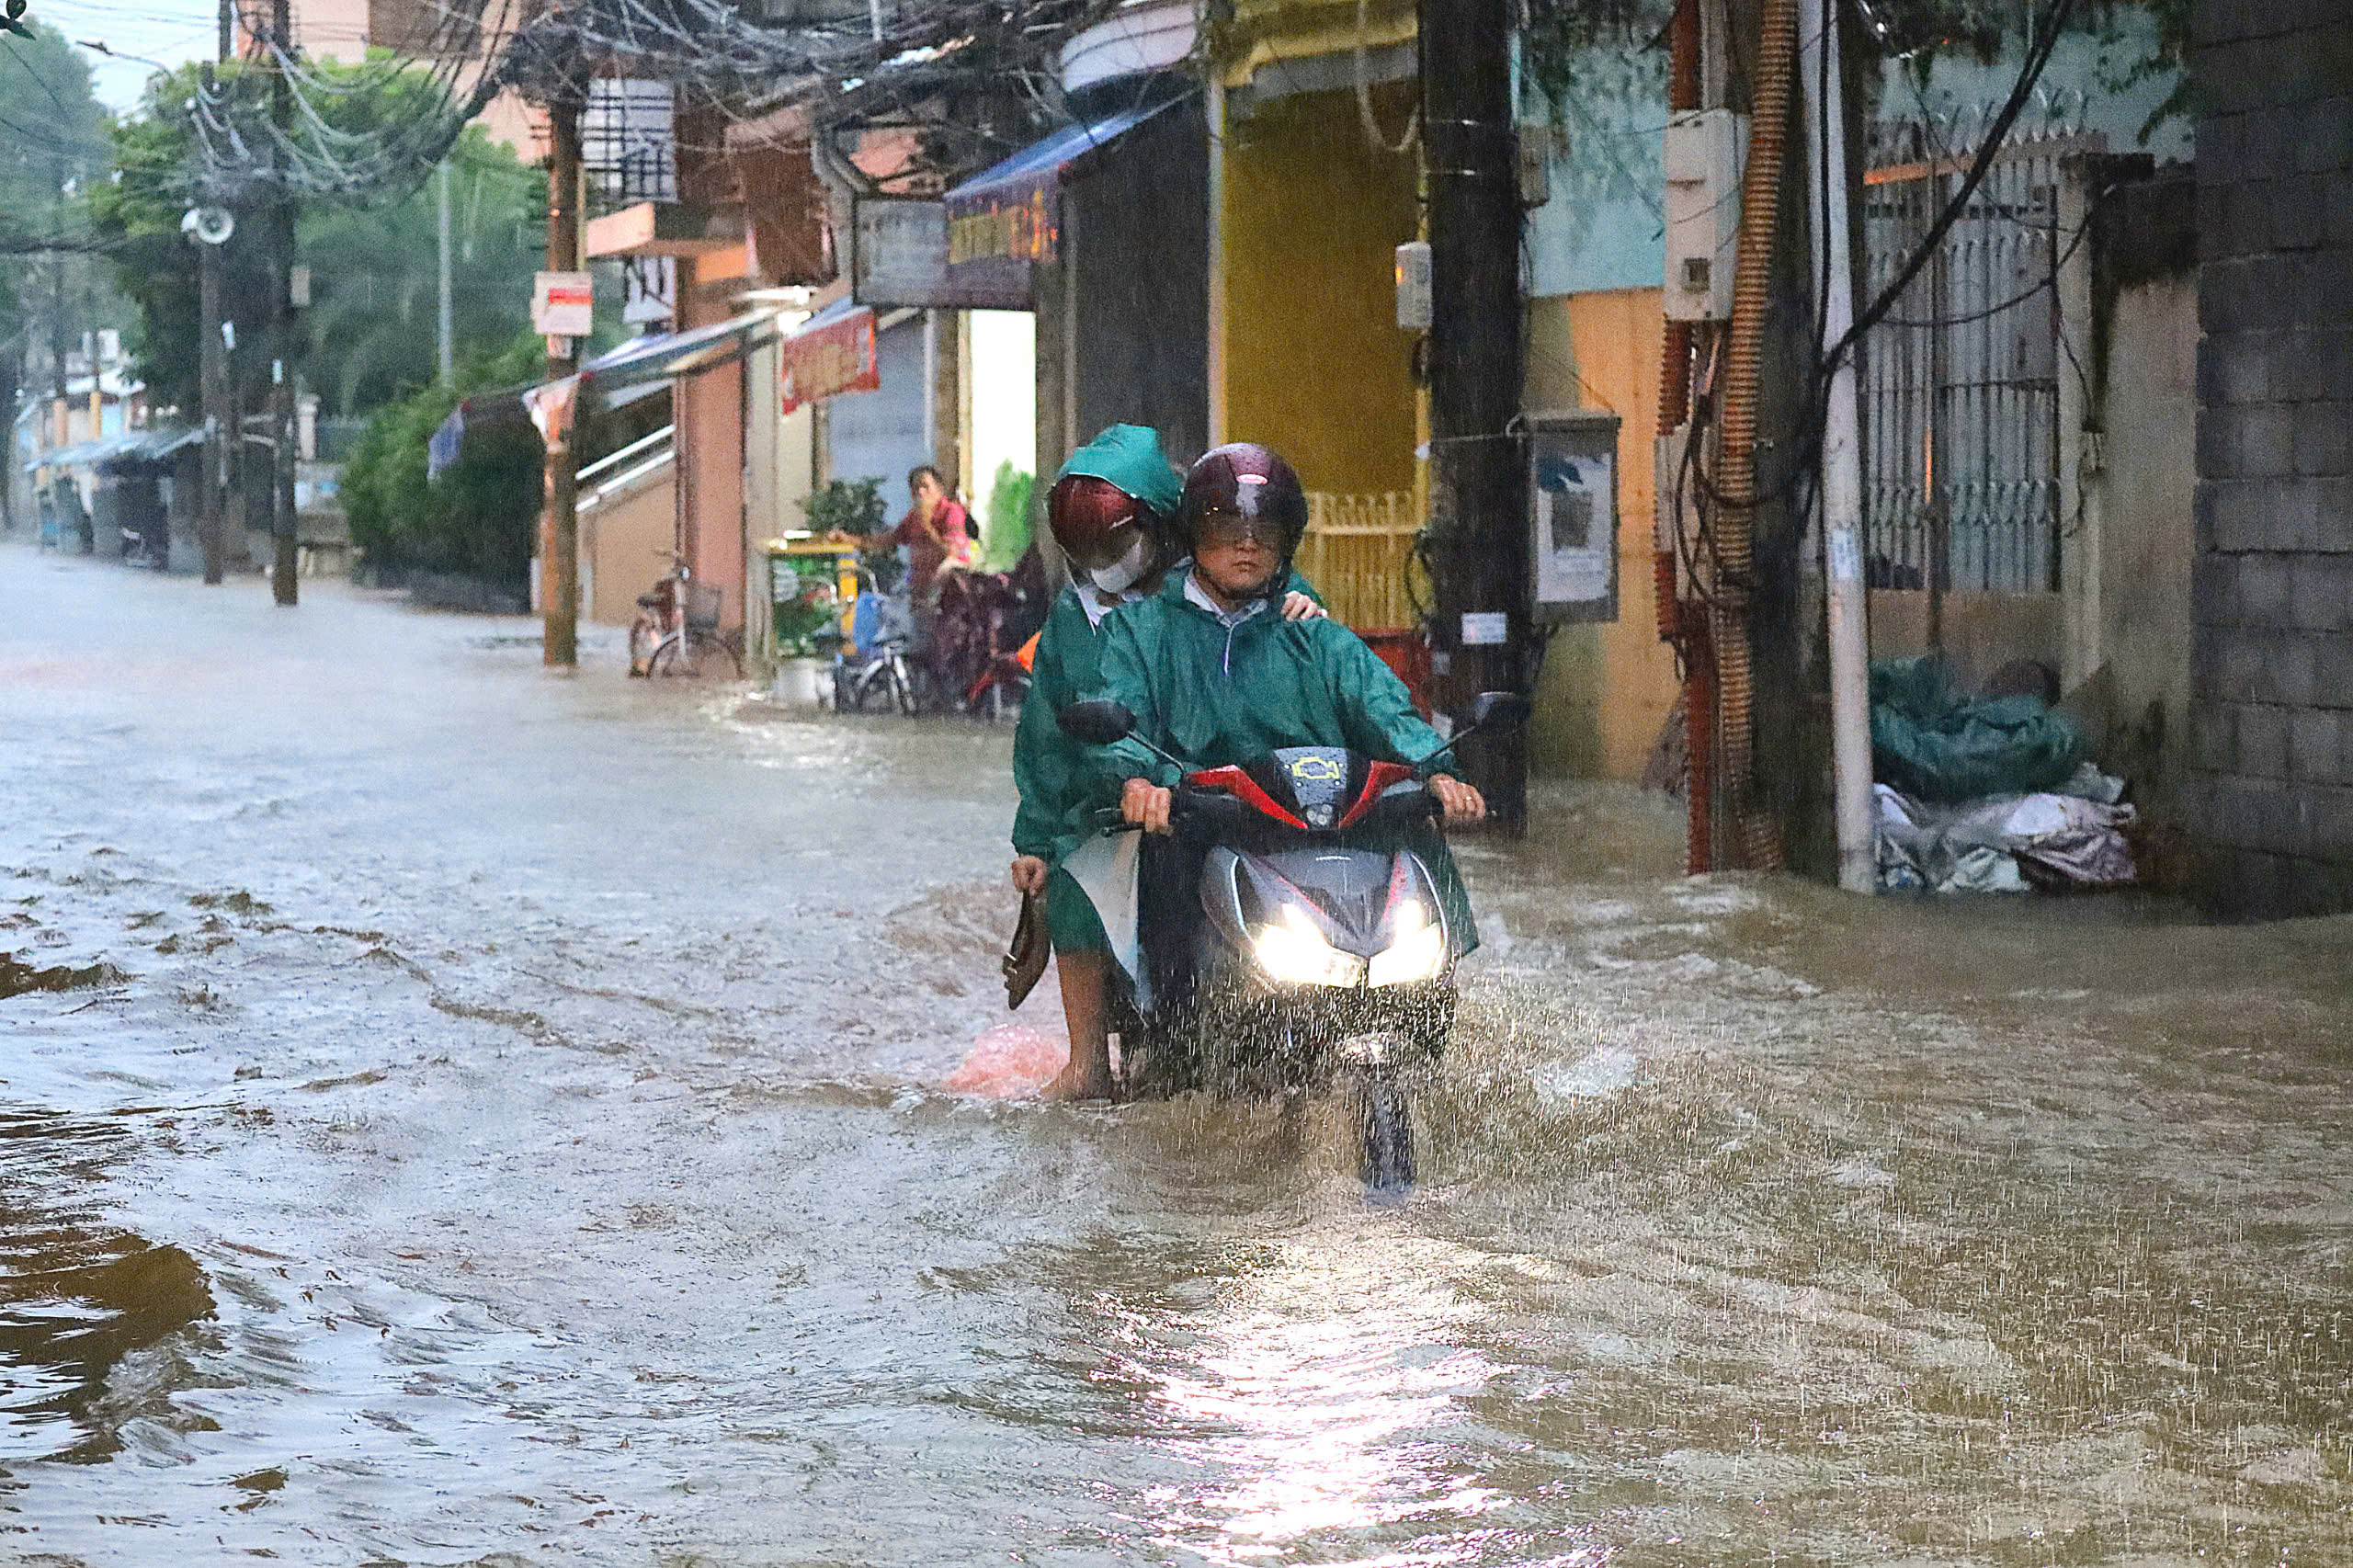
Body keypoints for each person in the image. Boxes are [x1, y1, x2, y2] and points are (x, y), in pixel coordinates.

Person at [1085, 442, 1487, 988]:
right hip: (1206, 818)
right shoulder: (1142, 630)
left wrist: (1437, 770)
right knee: (1163, 865)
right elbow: (1122, 710)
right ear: (1194, 538)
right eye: (1227, 529)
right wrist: (1137, 781)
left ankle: (1429, 1002)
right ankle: (1173, 1041)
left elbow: (1384, 708)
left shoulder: (1312, 632)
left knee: (1411, 829)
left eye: (1264, 532)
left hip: (1321, 814)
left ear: (1285, 544)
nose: (1246, 545)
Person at [1008, 426, 1325, 1101]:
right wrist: (1035, 838)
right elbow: (1046, 735)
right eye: (1089, 548)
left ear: (1158, 523)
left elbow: (1269, 589)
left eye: (1118, 543)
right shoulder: (1073, 618)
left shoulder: (1206, 583)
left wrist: (1303, 603)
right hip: (1120, 799)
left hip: (1230, 786)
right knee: (1073, 880)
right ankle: (1090, 1060)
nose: (1107, 563)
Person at [880, 464, 975, 599]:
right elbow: (891, 539)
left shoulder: (951, 512)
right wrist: (851, 539)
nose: (920, 492)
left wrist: (927, 526)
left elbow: (951, 553)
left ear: (939, 489)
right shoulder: (913, 517)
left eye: (925, 486)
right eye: (915, 488)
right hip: (919, 592)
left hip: (949, 595)